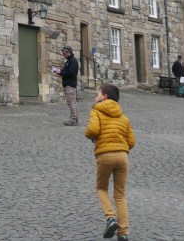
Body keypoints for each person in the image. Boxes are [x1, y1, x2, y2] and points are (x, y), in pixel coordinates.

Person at [85, 83, 135, 240]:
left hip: (105, 155)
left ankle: (110, 217)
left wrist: (87, 134)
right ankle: (124, 233)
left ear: (104, 97)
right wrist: (121, 147)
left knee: (101, 188)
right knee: (120, 195)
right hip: (122, 157)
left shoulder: (96, 111)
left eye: (97, 94)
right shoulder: (123, 117)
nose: (95, 97)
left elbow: (92, 130)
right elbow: (131, 141)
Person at [54, 45, 80, 126]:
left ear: (69, 52)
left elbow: (70, 73)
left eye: (64, 53)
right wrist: (60, 71)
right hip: (68, 84)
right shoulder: (69, 61)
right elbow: (66, 71)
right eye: (63, 53)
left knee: (71, 102)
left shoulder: (73, 61)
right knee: (72, 101)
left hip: (70, 84)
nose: (63, 55)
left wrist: (61, 73)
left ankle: (73, 119)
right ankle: (74, 118)